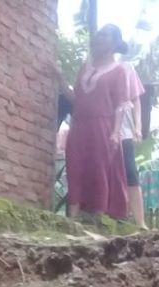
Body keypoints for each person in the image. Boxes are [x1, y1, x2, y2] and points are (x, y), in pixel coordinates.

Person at [63, 24, 131, 220]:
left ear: (114, 43)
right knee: (74, 166)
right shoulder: (85, 68)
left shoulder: (119, 71)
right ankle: (73, 219)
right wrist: (59, 79)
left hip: (102, 126)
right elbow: (76, 98)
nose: (98, 37)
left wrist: (115, 132)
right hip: (78, 125)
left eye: (104, 35)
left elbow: (120, 105)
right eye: (98, 34)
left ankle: (98, 218)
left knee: (98, 169)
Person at [118, 58, 146, 228]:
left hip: (125, 131)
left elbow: (136, 99)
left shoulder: (126, 67)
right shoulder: (96, 68)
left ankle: (140, 221)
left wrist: (138, 126)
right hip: (102, 130)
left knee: (130, 172)